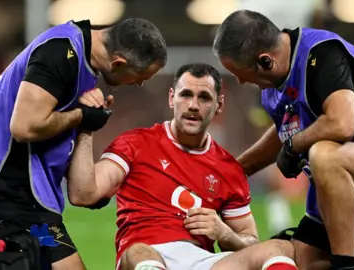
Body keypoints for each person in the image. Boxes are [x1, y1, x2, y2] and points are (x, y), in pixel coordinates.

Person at [212, 9, 354, 270]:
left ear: (265, 61)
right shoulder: (272, 89)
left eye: (239, 72)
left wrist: (294, 146)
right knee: (305, 261)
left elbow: (343, 123)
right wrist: (232, 172)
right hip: (339, 185)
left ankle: (346, 265)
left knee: (323, 153)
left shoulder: (322, 53)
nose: (240, 81)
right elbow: (283, 132)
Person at [0, 18, 167, 269]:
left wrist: (85, 124)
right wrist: (81, 115)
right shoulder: (59, 53)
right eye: (141, 76)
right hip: (5, 185)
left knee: (26, 262)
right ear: (118, 63)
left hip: (9, 183)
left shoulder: (79, 54)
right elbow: (24, 127)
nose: (139, 84)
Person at [66, 63, 297, 270]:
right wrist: (86, 130)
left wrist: (224, 233)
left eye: (204, 97)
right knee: (139, 253)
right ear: (171, 98)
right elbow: (83, 194)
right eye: (186, 95)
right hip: (147, 255)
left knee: (279, 249)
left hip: (202, 261)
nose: (193, 105)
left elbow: (250, 241)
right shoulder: (136, 144)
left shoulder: (228, 168)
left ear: (219, 105)